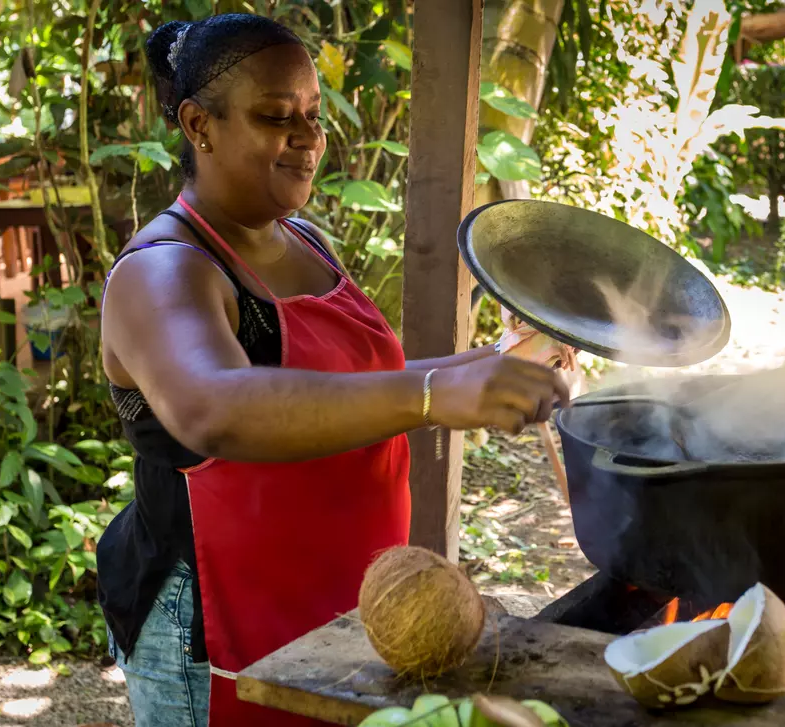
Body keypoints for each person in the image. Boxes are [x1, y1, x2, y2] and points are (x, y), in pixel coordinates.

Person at [97, 14, 574, 727]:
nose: (309, 136)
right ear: (199, 124)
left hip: (347, 609)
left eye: (314, 115)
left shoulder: (305, 240)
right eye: (274, 116)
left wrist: (497, 366)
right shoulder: (164, 271)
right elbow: (215, 405)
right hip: (221, 629)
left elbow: (353, 379)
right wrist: (433, 391)